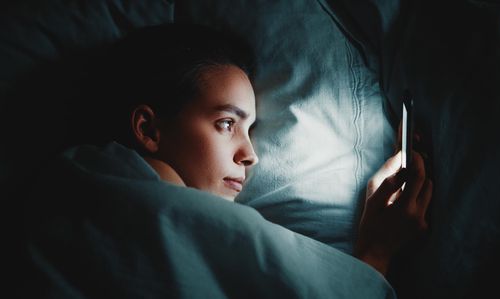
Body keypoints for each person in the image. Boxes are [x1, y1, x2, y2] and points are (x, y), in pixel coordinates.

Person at [19, 22, 432, 297]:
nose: (249, 155)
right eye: (225, 123)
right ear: (147, 128)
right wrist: (377, 251)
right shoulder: (110, 201)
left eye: (250, 129)